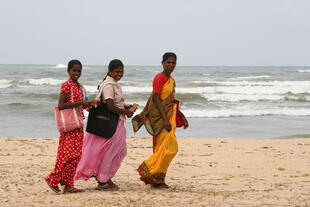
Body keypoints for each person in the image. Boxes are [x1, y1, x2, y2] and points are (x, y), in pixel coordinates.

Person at [74, 59, 137, 191]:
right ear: (110, 71)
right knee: (113, 151)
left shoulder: (113, 83)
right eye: (117, 71)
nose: (119, 74)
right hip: (113, 123)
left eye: (121, 71)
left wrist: (126, 107)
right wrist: (127, 112)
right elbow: (109, 106)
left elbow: (113, 103)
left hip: (115, 122)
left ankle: (104, 178)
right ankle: (103, 181)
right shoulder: (109, 85)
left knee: (111, 151)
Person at [132, 52, 189, 188]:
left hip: (169, 117)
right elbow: (157, 98)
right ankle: (150, 172)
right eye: (168, 62)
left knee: (168, 148)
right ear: (162, 63)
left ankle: (158, 179)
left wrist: (181, 116)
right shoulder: (159, 78)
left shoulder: (172, 80)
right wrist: (165, 120)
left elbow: (170, 101)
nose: (170, 65)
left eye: (173, 62)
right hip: (161, 119)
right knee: (166, 148)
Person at [45, 59, 97, 194]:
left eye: (79, 71)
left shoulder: (80, 87)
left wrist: (92, 103)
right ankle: (52, 179)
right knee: (66, 155)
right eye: (74, 70)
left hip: (78, 125)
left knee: (77, 156)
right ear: (68, 71)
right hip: (69, 127)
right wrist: (80, 103)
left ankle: (68, 185)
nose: (77, 73)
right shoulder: (66, 86)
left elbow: (82, 104)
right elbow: (61, 105)